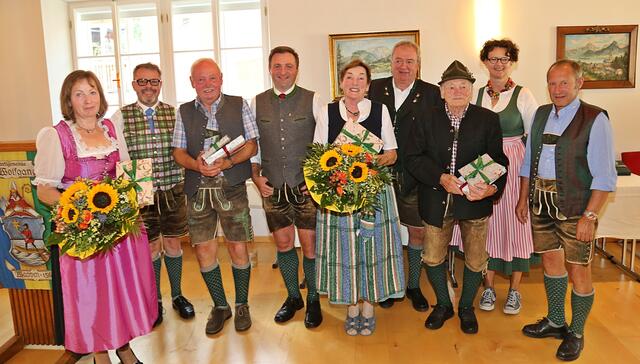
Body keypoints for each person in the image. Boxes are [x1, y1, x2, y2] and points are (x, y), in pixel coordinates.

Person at [34, 70, 156, 364]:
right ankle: (101, 356)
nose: (87, 100)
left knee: (119, 293)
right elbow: (44, 190)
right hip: (84, 233)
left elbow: (125, 173)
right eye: (79, 94)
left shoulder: (111, 130)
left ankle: (125, 349)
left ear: (99, 96)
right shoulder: (56, 135)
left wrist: (134, 199)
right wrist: (79, 210)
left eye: (91, 92)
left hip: (117, 231)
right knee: (94, 298)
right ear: (68, 100)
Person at [517, 59, 616, 361]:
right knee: (550, 262)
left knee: (579, 269)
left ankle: (576, 331)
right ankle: (556, 321)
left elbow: (604, 175)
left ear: (579, 84)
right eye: (552, 83)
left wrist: (591, 215)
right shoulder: (541, 115)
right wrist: (523, 198)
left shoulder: (595, 118)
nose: (557, 89)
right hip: (540, 201)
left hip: (576, 206)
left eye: (564, 83)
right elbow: (528, 161)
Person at [405, 60, 508, 334]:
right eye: (452, 86)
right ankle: (443, 305)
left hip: (475, 202)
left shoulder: (488, 120)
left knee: (475, 259)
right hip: (436, 198)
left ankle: (466, 307)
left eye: (464, 86)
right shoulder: (425, 117)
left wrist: (491, 188)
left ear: (472, 91)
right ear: (442, 91)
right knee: (433, 256)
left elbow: (499, 161)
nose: (458, 90)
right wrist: (440, 178)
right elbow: (412, 158)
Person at [313, 59, 405, 336]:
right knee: (345, 251)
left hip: (374, 192)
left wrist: (370, 161)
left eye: (361, 78)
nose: (355, 83)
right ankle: (351, 306)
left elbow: (392, 153)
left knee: (371, 250)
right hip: (339, 193)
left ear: (368, 85)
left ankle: (368, 307)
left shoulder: (380, 110)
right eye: (349, 77)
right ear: (341, 82)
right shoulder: (328, 112)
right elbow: (318, 155)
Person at [450, 39, 539, 314]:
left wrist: (524, 189)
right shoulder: (475, 94)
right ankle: (487, 286)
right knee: (484, 226)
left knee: (513, 227)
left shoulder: (524, 95)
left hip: (513, 166)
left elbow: (533, 141)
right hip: (482, 166)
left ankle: (514, 291)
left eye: (504, 59)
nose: (498, 64)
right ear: (485, 62)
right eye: (493, 59)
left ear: (511, 62)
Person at [172, 58, 258, 335]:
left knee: (237, 246)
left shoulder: (239, 103)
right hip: (197, 189)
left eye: (212, 78)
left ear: (221, 78)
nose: (207, 84)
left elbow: (252, 144)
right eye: (201, 80)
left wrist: (229, 163)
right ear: (192, 83)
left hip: (232, 184)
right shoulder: (184, 111)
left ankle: (242, 303)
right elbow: (178, 152)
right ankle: (221, 306)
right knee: (204, 250)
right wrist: (196, 165)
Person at [111, 63, 194, 327]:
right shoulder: (120, 117)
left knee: (172, 244)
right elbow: (118, 158)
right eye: (142, 81)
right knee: (150, 248)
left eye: (154, 81)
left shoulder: (176, 113)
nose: (148, 86)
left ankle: (178, 295)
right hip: (140, 192)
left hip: (172, 187)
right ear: (134, 84)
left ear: (161, 84)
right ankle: (154, 300)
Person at [250, 46, 323, 328]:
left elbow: (323, 143)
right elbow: (253, 146)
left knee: (310, 246)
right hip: (272, 186)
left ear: (297, 68)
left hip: (304, 187)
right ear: (270, 69)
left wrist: (315, 180)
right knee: (282, 244)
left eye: (288, 66)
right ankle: (294, 297)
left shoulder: (313, 99)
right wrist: (255, 177)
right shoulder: (256, 102)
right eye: (277, 66)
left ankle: (314, 298)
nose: (283, 71)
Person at [368, 41, 443, 311]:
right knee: (381, 233)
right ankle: (386, 286)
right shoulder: (374, 88)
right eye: (399, 60)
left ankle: (412, 286)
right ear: (391, 62)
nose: (404, 66)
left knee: (417, 234)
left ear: (418, 65)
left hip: (415, 176)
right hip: (378, 175)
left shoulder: (432, 93)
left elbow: (438, 134)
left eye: (410, 61)